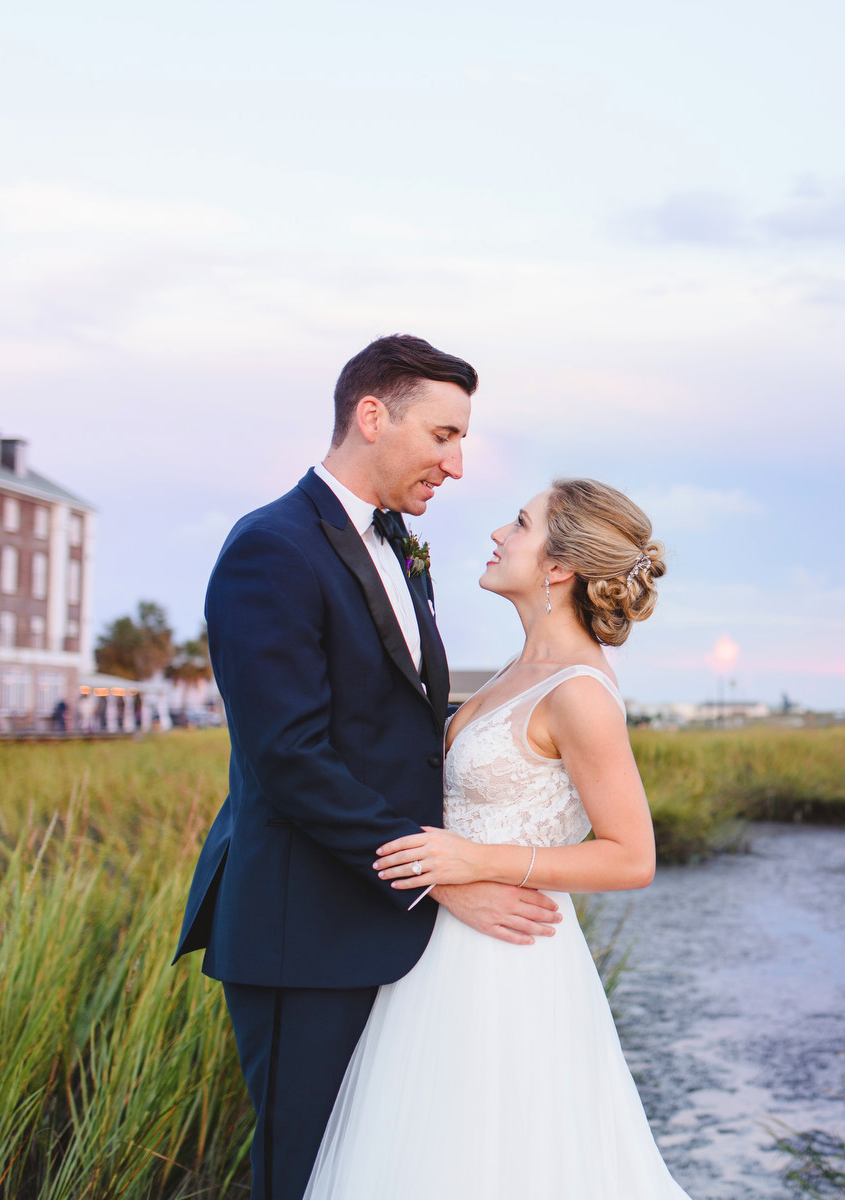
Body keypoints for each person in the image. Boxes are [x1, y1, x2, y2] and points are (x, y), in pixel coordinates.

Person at [175, 336, 566, 1200]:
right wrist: (437, 878)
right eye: (443, 435)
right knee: (304, 1173)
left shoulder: (398, 545)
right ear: (371, 415)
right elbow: (287, 758)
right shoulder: (271, 548)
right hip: (302, 929)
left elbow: (403, 730)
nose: (457, 464)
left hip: (384, 927)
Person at [302, 478, 687, 1197]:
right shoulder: (520, 669)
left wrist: (477, 860)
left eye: (519, 523)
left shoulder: (579, 691)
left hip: (508, 964)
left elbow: (632, 857)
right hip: (442, 950)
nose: (498, 535)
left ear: (559, 567)